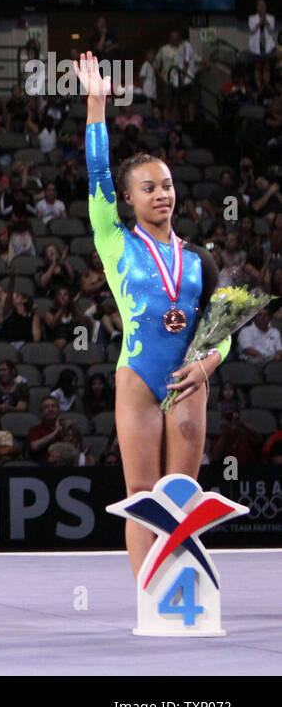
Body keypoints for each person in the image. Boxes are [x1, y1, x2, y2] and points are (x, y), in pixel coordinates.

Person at [81, 51, 229, 580]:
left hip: (190, 381)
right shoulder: (114, 240)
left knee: (182, 495)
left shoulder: (198, 258)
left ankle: (179, 585)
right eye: (149, 188)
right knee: (142, 496)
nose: (162, 194)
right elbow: (97, 172)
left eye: (166, 185)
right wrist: (96, 108)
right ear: (126, 198)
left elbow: (221, 332)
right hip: (139, 378)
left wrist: (207, 366)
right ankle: (149, 592)